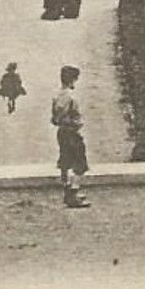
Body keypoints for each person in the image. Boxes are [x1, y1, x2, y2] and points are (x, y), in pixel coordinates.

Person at [51, 65, 89, 208]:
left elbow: (54, 119)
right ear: (73, 80)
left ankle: (67, 190)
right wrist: (78, 123)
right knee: (80, 163)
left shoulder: (56, 96)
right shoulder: (73, 98)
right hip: (72, 132)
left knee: (64, 161)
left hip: (61, 131)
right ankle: (74, 193)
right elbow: (76, 117)